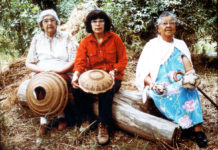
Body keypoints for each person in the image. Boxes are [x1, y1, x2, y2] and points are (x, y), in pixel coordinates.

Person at [135, 11, 207, 148]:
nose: (168, 26)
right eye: (165, 23)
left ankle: (198, 128)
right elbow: (142, 72)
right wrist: (153, 84)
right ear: (158, 28)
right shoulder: (152, 45)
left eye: (171, 23)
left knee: (188, 88)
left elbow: (187, 63)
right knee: (169, 91)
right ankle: (184, 125)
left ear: (175, 26)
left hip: (179, 81)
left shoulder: (180, 44)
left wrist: (191, 75)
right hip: (159, 84)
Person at [71, 9, 128, 145]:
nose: (98, 24)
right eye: (94, 21)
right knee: (76, 88)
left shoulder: (115, 38)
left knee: (107, 90)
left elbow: (123, 60)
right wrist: (76, 75)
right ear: (90, 24)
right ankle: (86, 118)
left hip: (113, 75)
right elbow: (80, 62)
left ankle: (103, 124)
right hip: (92, 77)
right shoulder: (85, 42)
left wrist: (114, 71)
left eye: (101, 21)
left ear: (105, 23)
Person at [25, 9, 78, 137]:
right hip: (43, 71)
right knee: (39, 85)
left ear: (57, 22)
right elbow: (29, 63)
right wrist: (42, 71)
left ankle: (61, 116)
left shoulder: (67, 36)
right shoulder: (37, 39)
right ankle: (44, 121)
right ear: (41, 24)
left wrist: (60, 70)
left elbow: (74, 59)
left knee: (57, 83)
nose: (49, 23)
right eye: (46, 21)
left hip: (62, 69)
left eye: (52, 20)